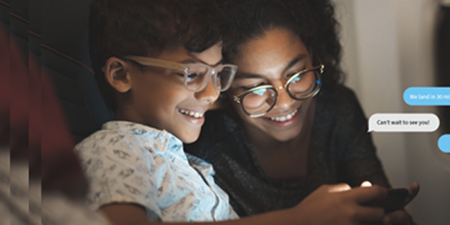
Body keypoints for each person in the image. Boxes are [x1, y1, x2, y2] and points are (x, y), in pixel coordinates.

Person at [74, 0, 394, 225]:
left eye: (217, 75)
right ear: (120, 75)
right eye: (192, 74)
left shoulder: (183, 162)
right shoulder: (115, 150)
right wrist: (298, 219)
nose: (213, 93)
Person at [185, 0, 420, 225]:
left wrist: (390, 216)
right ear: (224, 89)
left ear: (313, 55)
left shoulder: (337, 108)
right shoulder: (207, 149)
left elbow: (375, 192)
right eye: (256, 89)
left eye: (297, 75)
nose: (285, 103)